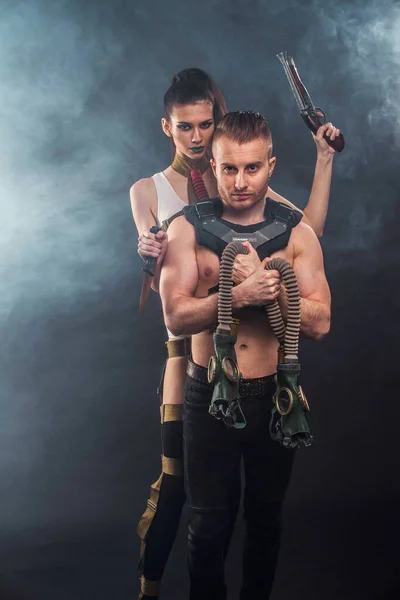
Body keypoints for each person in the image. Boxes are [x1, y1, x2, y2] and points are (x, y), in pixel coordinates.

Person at [130, 69, 339, 599]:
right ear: (214, 169)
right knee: (207, 527)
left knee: (266, 522)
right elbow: (174, 317)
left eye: (252, 168)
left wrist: (271, 293)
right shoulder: (185, 228)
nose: (241, 181)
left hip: (275, 393)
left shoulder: (294, 233)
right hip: (207, 394)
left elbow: (321, 322)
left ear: (270, 166)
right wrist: (236, 297)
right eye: (229, 170)